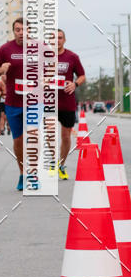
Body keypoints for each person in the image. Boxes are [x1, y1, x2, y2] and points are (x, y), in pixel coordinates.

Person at [0, 18, 27, 190]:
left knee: (33, 136)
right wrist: (1, 69)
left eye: (24, 29)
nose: (21, 32)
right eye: (17, 29)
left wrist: (46, 76)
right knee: (18, 140)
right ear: (14, 31)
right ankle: (23, 173)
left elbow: (51, 66)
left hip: (34, 101)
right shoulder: (6, 49)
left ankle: (33, 172)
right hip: (13, 102)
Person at [56, 28, 85, 179]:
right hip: (48, 101)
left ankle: (60, 164)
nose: (57, 40)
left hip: (67, 102)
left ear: (64, 40)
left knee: (66, 136)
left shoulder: (72, 57)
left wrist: (75, 84)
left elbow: (82, 75)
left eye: (60, 38)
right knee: (46, 133)